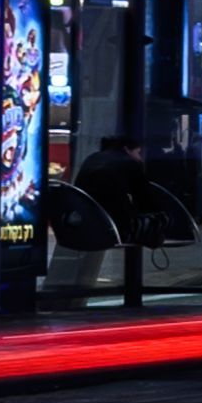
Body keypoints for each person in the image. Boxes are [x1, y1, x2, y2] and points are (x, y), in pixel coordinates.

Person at [74, 125, 173, 308]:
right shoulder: (128, 163)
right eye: (138, 152)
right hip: (115, 225)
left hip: (85, 221)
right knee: (159, 220)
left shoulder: (93, 158)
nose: (139, 157)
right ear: (127, 150)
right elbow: (145, 198)